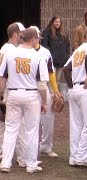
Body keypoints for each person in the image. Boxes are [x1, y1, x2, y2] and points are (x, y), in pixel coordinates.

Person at [0, 28, 49, 173]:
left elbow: (2, 77)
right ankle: (31, 164)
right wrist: (45, 102)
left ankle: (5, 163)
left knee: (10, 130)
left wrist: (2, 95)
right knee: (31, 130)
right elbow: (41, 84)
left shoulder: (10, 53)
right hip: (31, 94)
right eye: (37, 38)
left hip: (13, 93)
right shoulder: (38, 56)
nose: (38, 40)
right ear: (33, 39)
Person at [63, 25, 87, 168]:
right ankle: (82, 157)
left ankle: (74, 157)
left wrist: (71, 86)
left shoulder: (78, 49)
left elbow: (66, 69)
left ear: (85, 36)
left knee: (76, 125)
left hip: (75, 89)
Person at [31, 26, 61, 158]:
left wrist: (56, 90)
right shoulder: (21, 51)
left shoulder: (45, 52)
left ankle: (46, 146)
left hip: (44, 89)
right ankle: (30, 147)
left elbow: (51, 73)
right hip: (30, 90)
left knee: (48, 118)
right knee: (30, 120)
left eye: (38, 37)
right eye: (35, 36)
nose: (37, 39)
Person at [0, 22, 25, 164]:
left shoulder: (7, 48)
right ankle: (16, 156)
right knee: (13, 124)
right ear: (16, 34)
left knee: (7, 123)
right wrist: (2, 95)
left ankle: (8, 154)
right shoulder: (9, 49)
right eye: (21, 33)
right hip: (9, 89)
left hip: (8, 89)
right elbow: (3, 72)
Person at [41, 15, 70, 84]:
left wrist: (66, 56)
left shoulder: (63, 33)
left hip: (61, 61)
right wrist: (51, 56)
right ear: (52, 22)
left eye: (59, 22)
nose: (57, 23)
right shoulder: (47, 32)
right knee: (51, 81)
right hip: (51, 61)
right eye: (56, 21)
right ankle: (51, 94)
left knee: (57, 81)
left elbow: (67, 46)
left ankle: (55, 94)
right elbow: (44, 46)